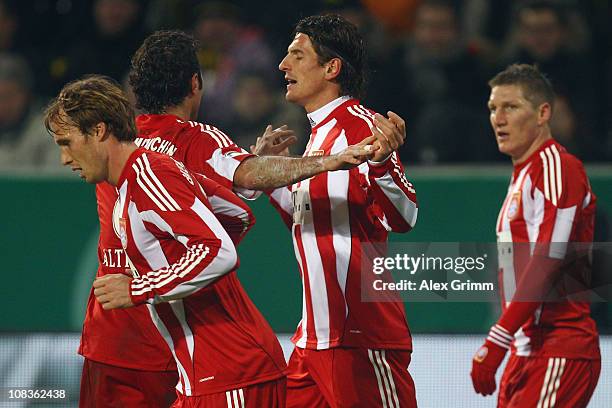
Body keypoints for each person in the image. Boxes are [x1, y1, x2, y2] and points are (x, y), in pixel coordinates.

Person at [73, 29, 405, 407]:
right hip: (184, 341)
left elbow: (187, 202)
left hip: (115, 337)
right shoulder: (198, 140)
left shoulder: (119, 147)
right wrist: (293, 165)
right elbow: (235, 207)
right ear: (195, 85)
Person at [255, 14, 419, 407]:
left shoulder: (361, 127)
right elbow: (307, 217)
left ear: (331, 68)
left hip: (359, 336)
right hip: (315, 339)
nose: (283, 65)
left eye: (296, 55)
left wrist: (381, 164)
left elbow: (406, 216)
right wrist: (267, 177)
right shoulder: (319, 136)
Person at [470, 64, 600, 407]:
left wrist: (497, 337)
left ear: (543, 112)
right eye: (493, 109)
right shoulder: (525, 173)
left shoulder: (558, 166)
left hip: (559, 345)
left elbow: (549, 256)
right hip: (527, 348)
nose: (498, 119)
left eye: (510, 107)